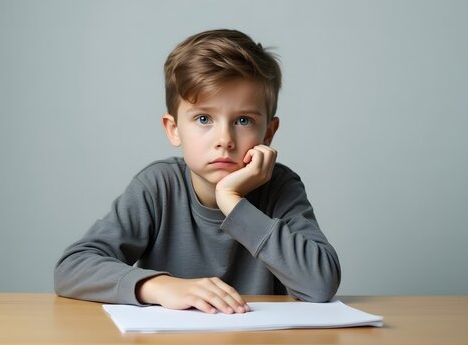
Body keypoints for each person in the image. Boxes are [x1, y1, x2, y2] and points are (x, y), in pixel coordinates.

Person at [54, 29, 340, 315]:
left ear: (268, 132)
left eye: (243, 120)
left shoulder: (280, 187)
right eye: (204, 118)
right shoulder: (158, 186)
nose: (224, 139)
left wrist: (232, 201)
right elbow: (73, 267)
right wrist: (160, 286)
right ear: (174, 129)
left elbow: (320, 284)